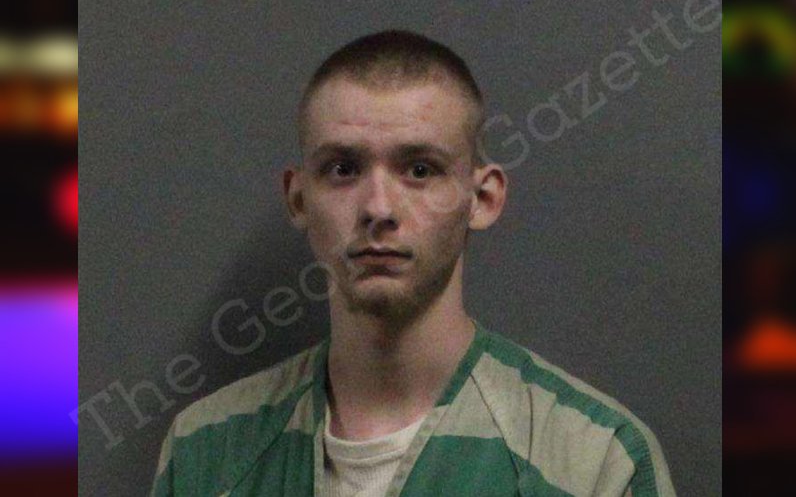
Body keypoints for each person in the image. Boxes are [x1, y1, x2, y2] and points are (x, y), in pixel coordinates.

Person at [150, 30, 676, 497]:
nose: (379, 208)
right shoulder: (206, 451)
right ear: (299, 198)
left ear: (482, 198)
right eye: (343, 169)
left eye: (420, 170)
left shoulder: (591, 461)